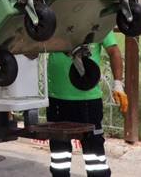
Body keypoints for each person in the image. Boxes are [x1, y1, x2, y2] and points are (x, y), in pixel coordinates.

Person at [46, 31, 127, 177]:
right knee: (59, 154)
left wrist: (118, 84)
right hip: (57, 99)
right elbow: (32, 50)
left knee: (94, 152)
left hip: (88, 101)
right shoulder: (54, 19)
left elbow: (114, 51)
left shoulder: (96, 20)